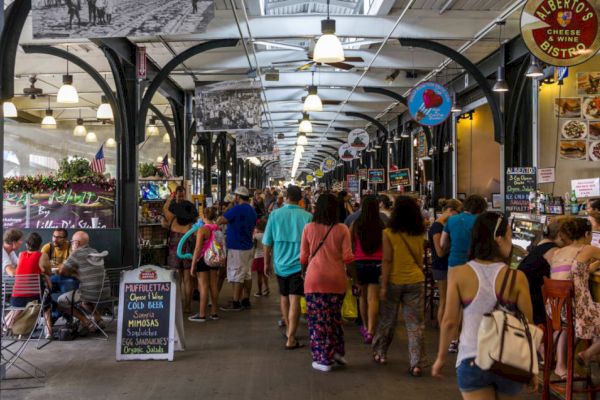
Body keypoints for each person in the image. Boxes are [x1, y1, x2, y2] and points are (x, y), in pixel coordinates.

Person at [432, 212, 535, 398]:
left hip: (472, 358)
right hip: (509, 361)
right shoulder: (517, 278)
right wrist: (532, 365)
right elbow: (529, 325)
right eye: (510, 236)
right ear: (499, 239)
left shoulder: (458, 273)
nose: (512, 242)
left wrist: (441, 357)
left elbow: (449, 321)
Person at [372, 196, 426, 377]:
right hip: (415, 281)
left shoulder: (388, 233)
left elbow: (386, 260)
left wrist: (384, 285)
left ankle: (381, 353)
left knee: (388, 320)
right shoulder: (419, 232)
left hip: (394, 281)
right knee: (414, 324)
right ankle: (416, 363)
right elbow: (420, 259)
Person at [300, 193, 354, 371]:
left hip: (314, 280)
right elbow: (348, 257)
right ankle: (337, 352)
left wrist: (304, 272)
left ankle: (322, 359)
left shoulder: (309, 228)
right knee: (334, 318)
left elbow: (303, 257)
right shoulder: (342, 229)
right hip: (337, 279)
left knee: (318, 320)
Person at [550, 217, 600, 377]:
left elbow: (577, 271)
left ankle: (562, 365)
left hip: (558, 311)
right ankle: (588, 354)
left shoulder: (558, 252)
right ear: (587, 234)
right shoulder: (588, 249)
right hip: (578, 311)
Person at [263, 185, 312, 349]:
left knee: (284, 296)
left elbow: (267, 242)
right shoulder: (307, 217)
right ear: (300, 199)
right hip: (300, 265)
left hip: (279, 264)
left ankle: (288, 330)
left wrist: (266, 262)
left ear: (285, 197)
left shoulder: (275, 215)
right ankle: (291, 336)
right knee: (295, 298)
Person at [440, 194, 487, 352]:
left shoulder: (451, 220)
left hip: (453, 264)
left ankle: (452, 341)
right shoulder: (479, 222)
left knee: (454, 303)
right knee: (472, 304)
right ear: (480, 208)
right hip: (473, 266)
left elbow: (443, 243)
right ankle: (469, 339)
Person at [56, 231, 110, 334]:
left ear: (76, 243)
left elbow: (62, 271)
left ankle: (86, 322)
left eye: (72, 242)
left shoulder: (76, 253)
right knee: (85, 301)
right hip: (106, 291)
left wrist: (71, 271)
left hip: (90, 293)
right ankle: (99, 320)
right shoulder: (94, 251)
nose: (71, 243)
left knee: (61, 301)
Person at [5, 233, 53, 339]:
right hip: (36, 296)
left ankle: (7, 327)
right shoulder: (42, 255)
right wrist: (44, 272)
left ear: (26, 245)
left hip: (17, 297)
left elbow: (23, 271)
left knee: (19, 306)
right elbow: (49, 272)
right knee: (47, 307)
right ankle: (48, 332)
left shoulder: (21, 255)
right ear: (40, 245)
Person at [518, 218, 564, 325]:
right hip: (538, 307)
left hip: (526, 301)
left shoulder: (541, 244)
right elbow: (566, 274)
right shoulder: (553, 250)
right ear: (561, 235)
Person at [350, 195, 383, 345]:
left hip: (359, 264)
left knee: (362, 298)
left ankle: (364, 326)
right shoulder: (382, 225)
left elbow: (350, 247)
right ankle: (371, 330)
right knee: (373, 299)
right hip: (377, 264)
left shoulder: (356, 224)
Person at [217, 186, 257, 311]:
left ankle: (235, 302)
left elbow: (220, 220)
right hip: (248, 246)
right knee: (247, 274)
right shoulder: (252, 210)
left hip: (237, 247)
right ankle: (245, 299)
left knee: (236, 274)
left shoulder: (236, 209)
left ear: (238, 197)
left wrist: (228, 209)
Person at [163, 186, 198, 314]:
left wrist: (169, 198)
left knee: (177, 276)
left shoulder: (172, 214)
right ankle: (187, 306)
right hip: (188, 244)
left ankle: (176, 305)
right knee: (187, 278)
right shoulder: (190, 210)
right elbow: (196, 222)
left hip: (174, 245)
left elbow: (164, 212)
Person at [428, 199, 462, 328]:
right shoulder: (437, 227)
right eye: (457, 212)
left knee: (447, 299)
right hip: (441, 266)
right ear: (450, 210)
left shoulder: (442, 226)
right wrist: (454, 244)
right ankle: (443, 327)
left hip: (442, 266)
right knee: (444, 300)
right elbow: (440, 251)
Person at [189, 207, 221, 322]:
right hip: (214, 259)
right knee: (213, 285)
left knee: (203, 286)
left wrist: (193, 265)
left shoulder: (202, 230)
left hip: (203, 259)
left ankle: (202, 314)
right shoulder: (218, 228)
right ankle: (214, 312)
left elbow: (197, 249)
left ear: (203, 216)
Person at [252, 218, 269, 297]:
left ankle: (259, 291)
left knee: (259, 275)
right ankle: (267, 288)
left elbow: (254, 247)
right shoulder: (267, 235)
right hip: (266, 256)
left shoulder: (256, 236)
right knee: (265, 274)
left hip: (258, 256)